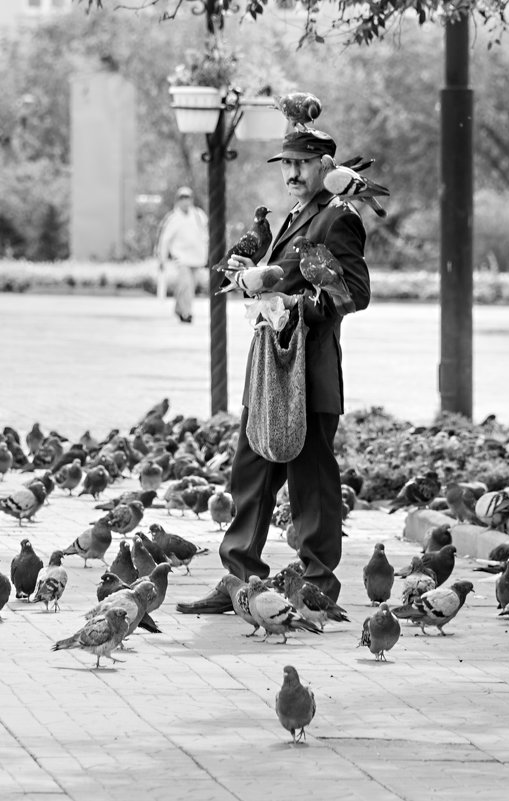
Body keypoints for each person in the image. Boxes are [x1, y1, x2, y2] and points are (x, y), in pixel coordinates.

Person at [177, 126, 370, 614]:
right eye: (285, 164)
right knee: (250, 472)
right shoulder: (294, 217)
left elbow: (354, 293)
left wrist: (294, 304)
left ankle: (318, 588)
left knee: (312, 484)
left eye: (301, 163)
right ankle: (241, 582)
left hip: (309, 369)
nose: (292, 172)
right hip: (271, 368)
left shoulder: (337, 218)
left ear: (327, 165)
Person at [155, 185, 208, 323]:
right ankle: (187, 312)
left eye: (188, 197)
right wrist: (162, 258)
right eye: (182, 198)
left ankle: (179, 308)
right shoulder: (173, 218)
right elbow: (165, 239)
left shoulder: (198, 215)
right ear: (178, 200)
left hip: (197, 258)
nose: (185, 201)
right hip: (181, 258)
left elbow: (206, 235)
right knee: (186, 284)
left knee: (189, 286)